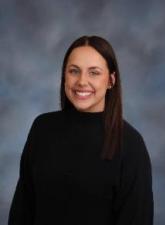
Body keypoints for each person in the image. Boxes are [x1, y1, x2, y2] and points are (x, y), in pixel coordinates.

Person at [8, 35, 154, 225]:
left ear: (111, 80)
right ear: (64, 76)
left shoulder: (130, 144)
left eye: (94, 72)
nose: (82, 81)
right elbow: (22, 210)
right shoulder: (42, 128)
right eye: (74, 71)